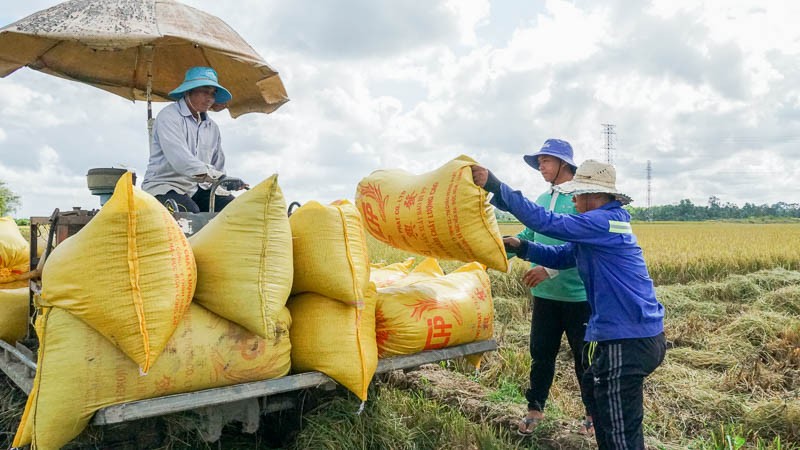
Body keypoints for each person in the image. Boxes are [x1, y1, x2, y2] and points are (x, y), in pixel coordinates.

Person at [473, 160, 666, 450]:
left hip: (627, 339)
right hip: (635, 335)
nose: (572, 199)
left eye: (577, 194)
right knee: (603, 400)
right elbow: (563, 256)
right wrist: (521, 246)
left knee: (617, 430)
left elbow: (547, 222)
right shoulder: (604, 225)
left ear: (594, 197)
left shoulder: (601, 222)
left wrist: (495, 185)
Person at [511, 139, 593, 437]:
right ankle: (535, 409)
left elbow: (583, 244)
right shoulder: (544, 200)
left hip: (578, 296)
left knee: (585, 359)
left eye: (546, 161)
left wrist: (549, 269)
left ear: (563, 164)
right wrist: (495, 251)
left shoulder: (582, 199)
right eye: (540, 162)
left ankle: (592, 415)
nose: (541, 167)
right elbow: (528, 233)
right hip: (544, 297)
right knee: (541, 354)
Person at [142, 66, 246, 213]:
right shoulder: (169, 117)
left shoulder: (212, 128)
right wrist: (217, 176)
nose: (210, 98)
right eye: (205, 91)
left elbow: (218, 165)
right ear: (188, 91)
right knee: (191, 213)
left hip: (197, 188)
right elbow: (181, 161)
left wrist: (226, 183)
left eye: (213, 93)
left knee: (235, 210)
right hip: (164, 186)